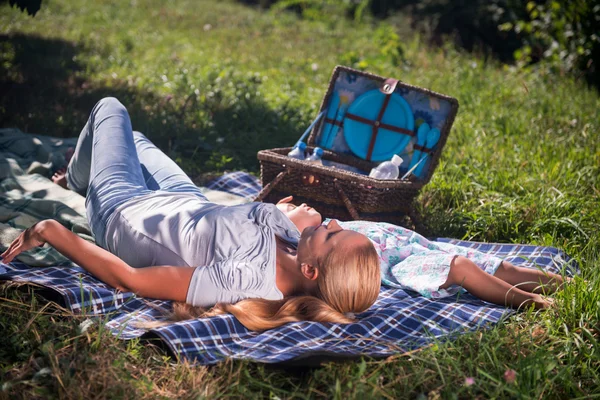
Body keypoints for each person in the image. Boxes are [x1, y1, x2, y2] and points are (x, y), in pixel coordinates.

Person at [0, 97, 382, 331]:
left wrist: (52, 231)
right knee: (133, 140)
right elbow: (243, 229)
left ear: (311, 272)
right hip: (188, 203)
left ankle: (76, 180)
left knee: (111, 109)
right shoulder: (296, 248)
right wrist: (292, 220)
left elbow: (131, 280)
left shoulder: (243, 278)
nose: (334, 222)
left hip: (126, 212)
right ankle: (84, 168)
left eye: (333, 235)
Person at [275, 197, 568, 309]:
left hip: (417, 244)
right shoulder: (308, 238)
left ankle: (571, 287)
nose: (300, 206)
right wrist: (280, 212)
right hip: (402, 260)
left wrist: (292, 213)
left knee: (499, 267)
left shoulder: (321, 233)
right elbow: (280, 221)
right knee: (461, 267)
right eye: (291, 208)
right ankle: (531, 302)